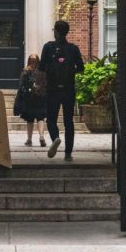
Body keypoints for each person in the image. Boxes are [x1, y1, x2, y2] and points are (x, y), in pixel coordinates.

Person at [38, 20, 85, 162]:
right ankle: (68, 153)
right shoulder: (73, 49)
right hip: (68, 89)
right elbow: (81, 68)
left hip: (52, 88)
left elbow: (41, 69)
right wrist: (71, 71)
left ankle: (55, 138)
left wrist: (38, 85)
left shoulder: (48, 47)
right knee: (68, 121)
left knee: (51, 119)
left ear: (56, 32)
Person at [13, 54, 47, 147]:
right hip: (40, 98)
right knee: (40, 118)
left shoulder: (25, 71)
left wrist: (19, 99)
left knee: (30, 119)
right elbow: (46, 84)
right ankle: (41, 136)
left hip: (29, 98)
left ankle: (29, 139)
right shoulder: (42, 71)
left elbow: (21, 86)